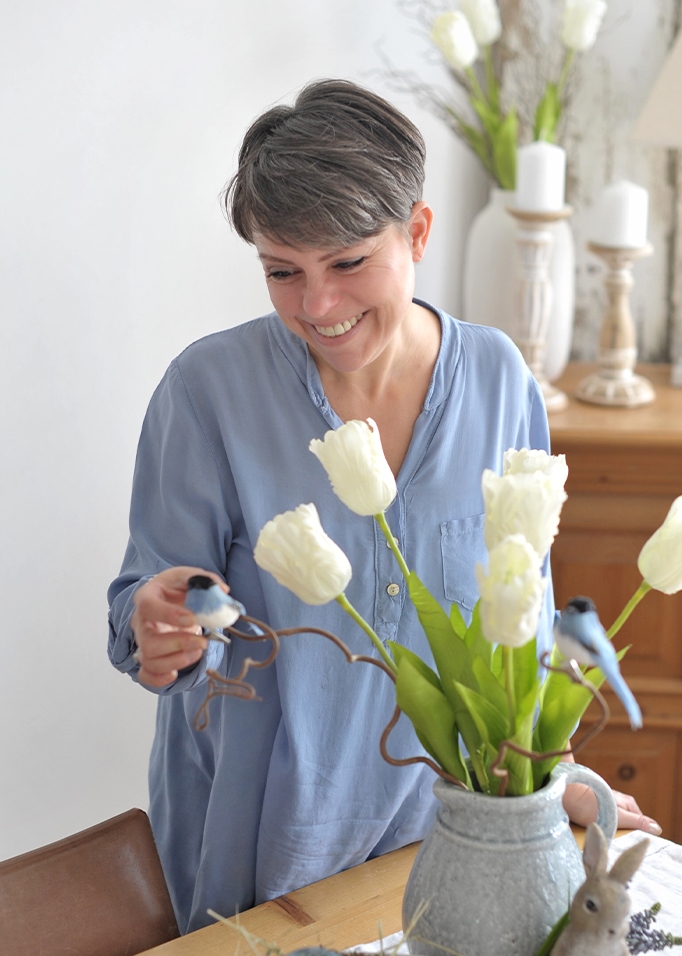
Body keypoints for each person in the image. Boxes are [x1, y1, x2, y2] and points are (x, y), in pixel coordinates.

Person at [107, 78, 659, 935]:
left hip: (454, 839)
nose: (317, 306)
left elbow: (524, 638)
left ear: (419, 232)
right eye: (282, 272)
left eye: (349, 263)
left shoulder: (499, 378)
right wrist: (152, 624)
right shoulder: (206, 392)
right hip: (258, 850)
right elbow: (146, 611)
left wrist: (550, 792)